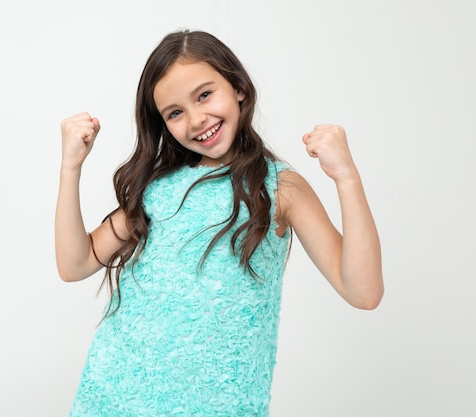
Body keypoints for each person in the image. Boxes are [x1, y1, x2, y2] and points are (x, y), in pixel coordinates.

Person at [55, 29, 383, 416]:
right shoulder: (156, 191)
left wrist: (347, 177)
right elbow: (75, 264)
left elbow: (364, 293)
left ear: (239, 88)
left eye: (205, 95)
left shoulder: (280, 189)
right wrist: (70, 166)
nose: (196, 119)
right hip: (116, 397)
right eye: (175, 112)